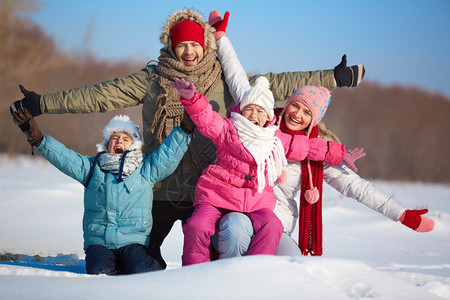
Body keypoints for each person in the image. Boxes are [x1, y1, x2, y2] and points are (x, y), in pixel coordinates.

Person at [9, 8, 366, 268]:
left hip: (207, 191)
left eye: (196, 45)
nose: (190, 52)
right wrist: (44, 103)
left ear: (206, 45)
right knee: (142, 267)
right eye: (182, 46)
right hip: (159, 189)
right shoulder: (152, 79)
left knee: (210, 268)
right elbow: (100, 94)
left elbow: (278, 83)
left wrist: (334, 76)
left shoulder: (223, 78)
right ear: (171, 45)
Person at [208, 10, 435, 258]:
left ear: (313, 121)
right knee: (234, 241)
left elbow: (357, 188)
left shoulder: (314, 154)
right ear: (288, 104)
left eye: (307, 112)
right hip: (238, 217)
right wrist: (220, 37)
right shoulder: (258, 120)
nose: (297, 114)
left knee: (296, 271)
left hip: (277, 226)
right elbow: (236, 77)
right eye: (296, 105)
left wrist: (402, 214)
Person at [171, 76, 363, 265]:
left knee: (273, 225)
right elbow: (207, 119)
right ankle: (194, 272)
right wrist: (192, 99)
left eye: (260, 111)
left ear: (268, 116)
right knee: (197, 225)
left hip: (255, 201)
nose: (254, 115)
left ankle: (256, 269)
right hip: (216, 196)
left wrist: (340, 153)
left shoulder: (274, 138)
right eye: (249, 109)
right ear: (242, 111)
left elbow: (307, 147)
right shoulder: (228, 129)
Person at [10, 108, 193, 275]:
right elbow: (65, 158)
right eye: (114, 138)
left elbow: (167, 156)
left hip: (133, 242)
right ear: (107, 144)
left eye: (125, 138)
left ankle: (151, 260)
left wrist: (184, 129)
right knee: (100, 272)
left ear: (134, 146)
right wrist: (39, 139)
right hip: (100, 242)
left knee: (142, 271)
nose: (119, 141)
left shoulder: (144, 170)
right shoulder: (92, 168)